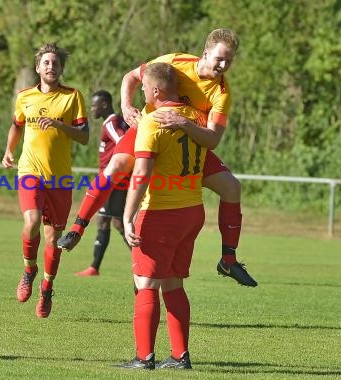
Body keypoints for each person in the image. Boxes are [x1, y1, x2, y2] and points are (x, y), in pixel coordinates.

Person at [58, 28, 257, 287]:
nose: (223, 65)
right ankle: (78, 227)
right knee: (116, 165)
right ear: (205, 53)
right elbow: (130, 77)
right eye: (219, 58)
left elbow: (213, 139)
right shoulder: (176, 62)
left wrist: (183, 123)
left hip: (186, 142)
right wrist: (126, 105)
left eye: (229, 61)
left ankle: (228, 261)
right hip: (149, 132)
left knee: (232, 187)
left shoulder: (221, 93)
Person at [118, 62, 207, 370]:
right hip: (193, 210)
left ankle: (144, 358)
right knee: (173, 283)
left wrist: (128, 215)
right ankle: (180, 356)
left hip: (161, 213)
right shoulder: (195, 116)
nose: (141, 91)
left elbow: (141, 174)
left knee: (145, 283)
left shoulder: (153, 121)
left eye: (144, 87)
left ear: (156, 90)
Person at [1, 42, 89, 318]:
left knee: (54, 239)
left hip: (60, 179)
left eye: (56, 63)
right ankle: (29, 270)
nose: (51, 67)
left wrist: (61, 126)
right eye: (46, 63)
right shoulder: (25, 96)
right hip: (30, 171)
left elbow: (84, 136)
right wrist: (8, 151)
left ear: (62, 69)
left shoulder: (73, 97)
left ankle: (47, 287)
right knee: (31, 221)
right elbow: (16, 125)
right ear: (38, 67)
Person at [74, 90, 130, 277]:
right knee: (112, 221)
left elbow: (123, 140)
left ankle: (145, 264)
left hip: (113, 180)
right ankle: (94, 267)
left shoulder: (112, 122)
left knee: (115, 222)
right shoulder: (118, 120)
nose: (92, 109)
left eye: (94, 105)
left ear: (104, 104)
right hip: (116, 179)